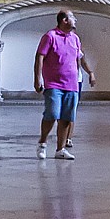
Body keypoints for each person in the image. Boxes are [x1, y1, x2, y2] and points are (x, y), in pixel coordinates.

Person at [34, 9, 83, 159]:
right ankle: (42, 143)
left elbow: (78, 59)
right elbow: (40, 57)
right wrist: (37, 79)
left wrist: (80, 74)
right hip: (54, 84)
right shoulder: (50, 36)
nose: (75, 20)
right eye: (72, 17)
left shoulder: (75, 38)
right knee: (53, 113)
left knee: (66, 117)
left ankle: (60, 150)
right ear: (64, 20)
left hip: (71, 85)